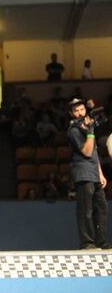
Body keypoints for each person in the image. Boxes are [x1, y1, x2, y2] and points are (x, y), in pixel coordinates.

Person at [67, 98, 110, 250]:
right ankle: (87, 242)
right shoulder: (73, 131)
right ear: (71, 114)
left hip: (94, 173)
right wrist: (90, 133)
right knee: (86, 209)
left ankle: (101, 241)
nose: (80, 113)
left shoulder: (87, 127)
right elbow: (86, 151)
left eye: (82, 109)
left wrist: (101, 174)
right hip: (83, 173)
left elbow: (94, 153)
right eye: (76, 111)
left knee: (102, 207)